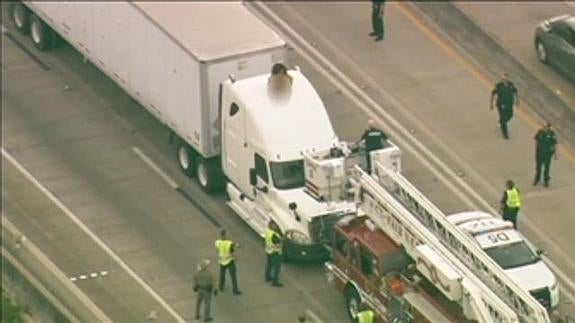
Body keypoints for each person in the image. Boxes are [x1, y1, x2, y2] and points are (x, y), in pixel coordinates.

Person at [490, 73, 519, 139]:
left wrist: (517, 101)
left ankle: (502, 122)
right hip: (501, 105)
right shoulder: (498, 86)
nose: (504, 80)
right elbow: (493, 94)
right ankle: (505, 134)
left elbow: (515, 92)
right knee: (503, 119)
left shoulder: (511, 85)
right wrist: (491, 104)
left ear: (508, 79)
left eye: (505, 79)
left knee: (510, 115)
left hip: (509, 104)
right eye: (503, 79)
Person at [214, 229, 241, 295]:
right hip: (229, 261)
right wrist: (235, 258)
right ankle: (235, 291)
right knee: (233, 276)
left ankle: (221, 287)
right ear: (225, 235)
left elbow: (217, 250)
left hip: (221, 261)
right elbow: (231, 251)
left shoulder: (217, 242)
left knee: (222, 275)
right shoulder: (229, 243)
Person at [533, 122, 558, 187]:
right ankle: (537, 179)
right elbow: (536, 139)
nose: (543, 128)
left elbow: (555, 144)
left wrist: (555, 154)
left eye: (545, 127)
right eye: (543, 126)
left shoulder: (552, 134)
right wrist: (537, 149)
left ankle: (546, 181)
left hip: (547, 154)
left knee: (546, 168)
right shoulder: (540, 132)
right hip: (539, 153)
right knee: (538, 167)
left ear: (549, 127)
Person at [264, 220, 283, 287]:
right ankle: (275, 282)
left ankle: (267, 277)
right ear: (272, 226)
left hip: (268, 251)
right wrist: (282, 241)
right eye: (275, 225)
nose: (276, 226)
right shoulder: (274, 235)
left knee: (269, 265)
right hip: (275, 253)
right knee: (276, 268)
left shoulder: (268, 231)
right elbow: (277, 242)